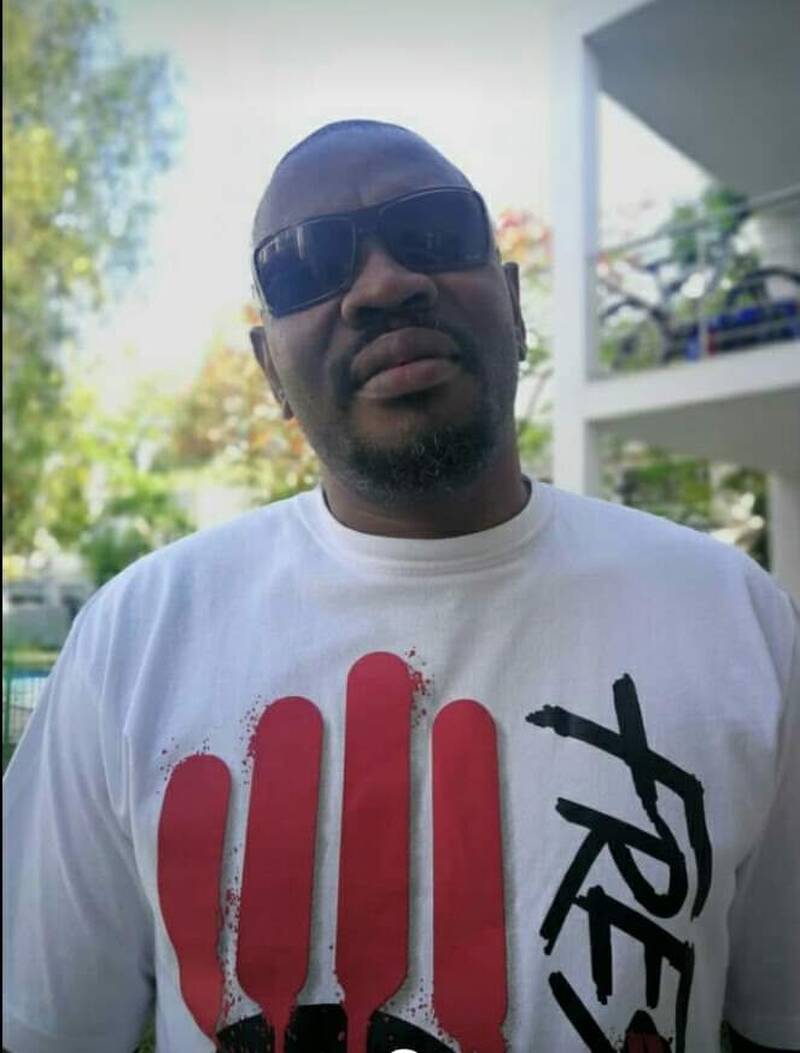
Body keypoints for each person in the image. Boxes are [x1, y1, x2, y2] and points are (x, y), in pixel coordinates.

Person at [3, 119, 798, 1053]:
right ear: (270, 369)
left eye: (433, 229)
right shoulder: (135, 640)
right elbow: (42, 1024)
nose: (382, 284)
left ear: (513, 305)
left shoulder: (733, 616)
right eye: (306, 263)